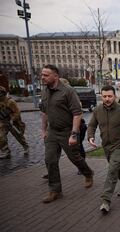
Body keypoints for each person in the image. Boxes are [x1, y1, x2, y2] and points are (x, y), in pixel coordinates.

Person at [40, 64, 94, 203]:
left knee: (75, 158)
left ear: (56, 76)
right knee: (50, 160)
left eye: (46, 75)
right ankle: (55, 190)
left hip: (67, 131)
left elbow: (77, 113)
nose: (43, 77)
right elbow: (44, 112)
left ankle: (88, 173)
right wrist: (44, 129)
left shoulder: (68, 91)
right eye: (42, 74)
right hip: (52, 131)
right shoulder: (44, 91)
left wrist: (74, 134)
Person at [87, 85, 120, 213]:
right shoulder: (97, 110)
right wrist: (90, 137)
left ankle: (105, 200)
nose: (107, 99)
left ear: (115, 96)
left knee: (112, 169)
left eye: (110, 96)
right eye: (104, 96)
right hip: (106, 145)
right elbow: (91, 125)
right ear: (101, 96)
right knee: (116, 168)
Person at [0, 86, 29, 159]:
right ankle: (6, 152)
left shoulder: (10, 102)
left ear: (2, 94)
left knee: (18, 136)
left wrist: (12, 119)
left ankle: (25, 146)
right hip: (3, 122)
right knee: (1, 137)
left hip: (12, 122)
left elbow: (17, 112)